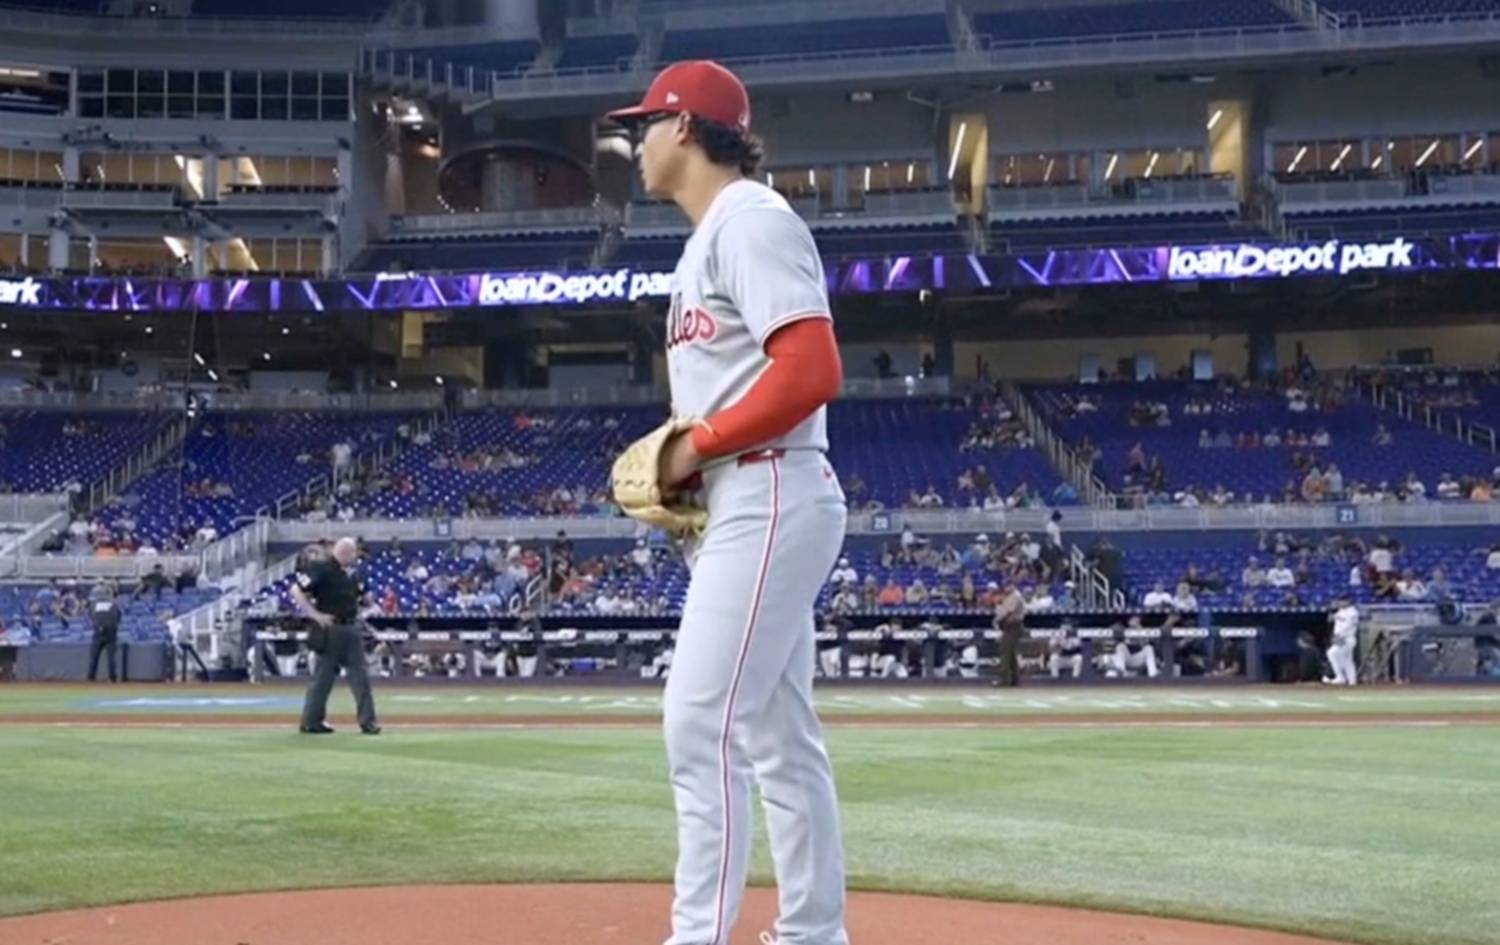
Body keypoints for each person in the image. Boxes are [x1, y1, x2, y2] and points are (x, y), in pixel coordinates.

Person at [605, 60, 849, 945]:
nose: (636, 143)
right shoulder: (711, 236)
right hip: (751, 490)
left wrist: (694, 446)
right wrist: (695, 457)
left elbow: (812, 370)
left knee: (700, 722)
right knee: (780, 737)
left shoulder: (750, 219)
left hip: (768, 482)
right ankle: (813, 933)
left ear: (685, 127)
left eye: (644, 125)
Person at [291, 537, 380, 735]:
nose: (355, 557)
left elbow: (364, 597)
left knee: (360, 677)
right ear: (345, 552)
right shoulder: (321, 568)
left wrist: (365, 602)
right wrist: (315, 615)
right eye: (353, 553)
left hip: (351, 627)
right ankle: (311, 721)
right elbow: (296, 589)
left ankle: (368, 721)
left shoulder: (351, 573)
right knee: (323, 679)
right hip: (331, 629)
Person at [992, 578, 1026, 687]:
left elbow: (1008, 612)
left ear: (1012, 585)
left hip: (1013, 626)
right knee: (1010, 654)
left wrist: (997, 620)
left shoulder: (1015, 595)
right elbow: (1001, 610)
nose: (1005, 588)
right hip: (1009, 627)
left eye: (1008, 585)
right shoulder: (1008, 596)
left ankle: (1004, 680)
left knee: (1005, 652)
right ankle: (1015, 679)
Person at [86, 582, 121, 683]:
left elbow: (91, 615)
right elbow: (118, 617)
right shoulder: (113, 603)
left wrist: (97, 624)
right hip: (111, 632)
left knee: (94, 657)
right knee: (111, 657)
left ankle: (91, 677)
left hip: (98, 631)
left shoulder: (95, 603)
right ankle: (112, 678)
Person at [1326, 597, 1360, 686]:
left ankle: (1342, 678)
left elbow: (1348, 626)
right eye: (1339, 601)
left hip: (1347, 638)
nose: (1340, 603)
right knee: (1342, 657)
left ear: (1348, 601)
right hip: (1340, 637)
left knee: (1339, 656)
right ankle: (1350, 680)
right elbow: (1330, 619)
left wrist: (1339, 636)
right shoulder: (1340, 611)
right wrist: (1332, 610)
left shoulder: (1353, 612)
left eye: (1342, 601)